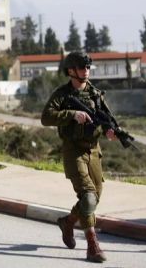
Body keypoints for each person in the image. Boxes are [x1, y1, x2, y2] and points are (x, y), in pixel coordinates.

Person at [41, 51, 115, 263]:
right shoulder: (62, 95)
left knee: (94, 198)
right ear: (71, 71)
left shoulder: (95, 94)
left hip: (94, 151)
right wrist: (72, 114)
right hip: (73, 150)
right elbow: (46, 118)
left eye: (88, 68)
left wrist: (111, 131)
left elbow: (107, 119)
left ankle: (68, 222)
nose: (86, 72)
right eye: (82, 68)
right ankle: (92, 245)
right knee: (89, 196)